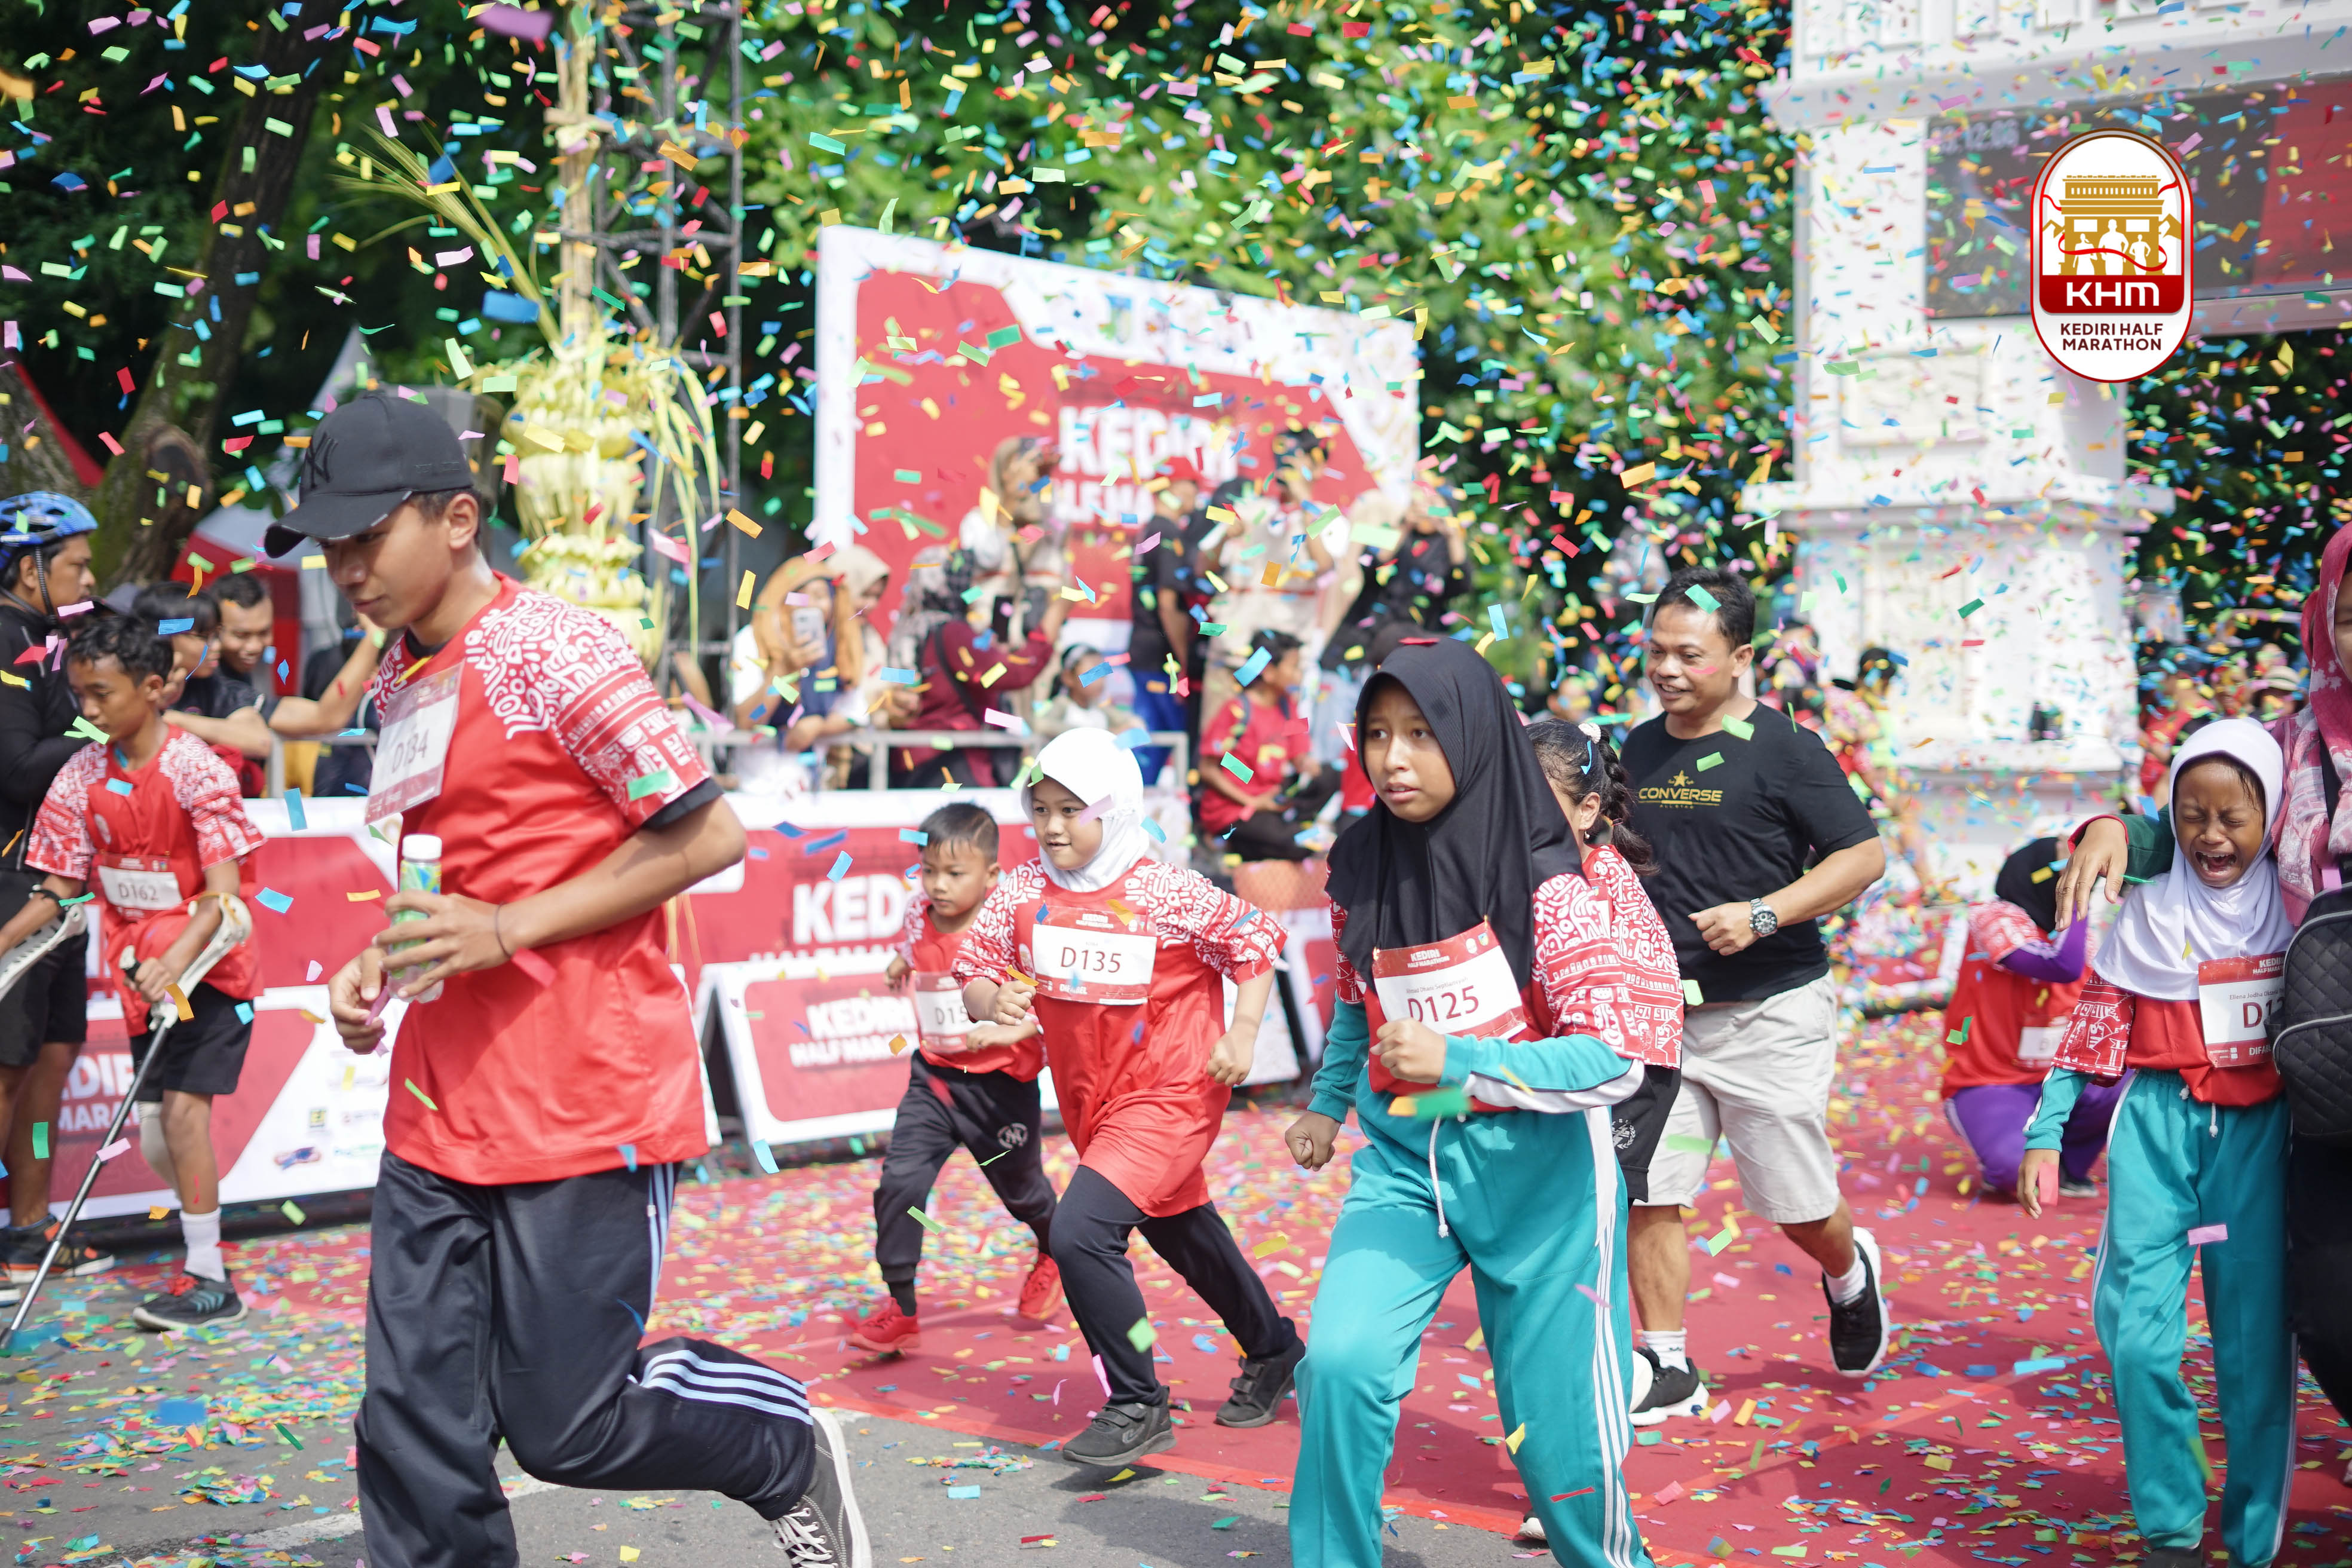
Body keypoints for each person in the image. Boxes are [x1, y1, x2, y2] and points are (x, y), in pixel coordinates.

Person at [278, 390, 864, 1567]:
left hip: (584, 1103)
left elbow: (708, 835)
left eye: (365, 536)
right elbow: (449, 866)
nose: (344, 568)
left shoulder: (557, 648)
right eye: (328, 544)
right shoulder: (395, 679)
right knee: (413, 1419)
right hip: (437, 1105)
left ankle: (785, 1448)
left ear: (457, 518)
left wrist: (507, 930)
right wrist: (381, 956)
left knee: (566, 1425)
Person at [1282, 639, 1652, 1568]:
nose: (1393, 759)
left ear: (1476, 736)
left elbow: (1615, 1060)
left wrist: (1462, 1058)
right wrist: (1328, 1101)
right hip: (1406, 1168)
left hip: (1546, 1188)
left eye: (1421, 734)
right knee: (1341, 1362)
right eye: (1377, 735)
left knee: (1561, 1446)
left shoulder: (1553, 885)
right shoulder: (1361, 866)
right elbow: (1359, 1001)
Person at [2060, 519, 2352, 1453]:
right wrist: (2119, 829)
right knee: (2327, 1303)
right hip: (2324, 1062)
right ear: (2324, 623)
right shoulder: (2290, 745)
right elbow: (2205, 810)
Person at [956, 728, 1302, 1467]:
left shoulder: (1163, 888)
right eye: (1040, 809)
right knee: (1180, 1227)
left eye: (1070, 810)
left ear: (1113, 811)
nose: (1052, 827)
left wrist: (1243, 1033)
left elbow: (1255, 940)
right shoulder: (1022, 888)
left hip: (1173, 1091)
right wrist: (993, 1001)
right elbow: (976, 966)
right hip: (1093, 1100)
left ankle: (1137, 1400)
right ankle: (1274, 1346)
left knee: (1079, 1231)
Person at [2024, 720, 2296, 1568]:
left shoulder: (2294, 906)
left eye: (2234, 817)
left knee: (2253, 1348)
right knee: (2137, 1339)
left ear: (2272, 816)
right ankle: (2171, 1530)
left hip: (2258, 1137)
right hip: (2155, 1130)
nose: (2212, 836)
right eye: (2192, 815)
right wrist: (2046, 1133)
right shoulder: (2147, 908)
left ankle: (2253, 1540)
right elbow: (2094, 1022)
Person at [1621, 566, 1893, 1380]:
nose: (1667, 669)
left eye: (1689, 654)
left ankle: (1848, 1270)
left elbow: (1863, 855)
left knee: (1795, 1207)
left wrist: (1765, 914)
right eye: (1657, 651)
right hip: (1665, 1020)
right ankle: (1666, 1364)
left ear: (1741, 657)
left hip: (1768, 1014)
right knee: (1650, 1191)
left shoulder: (1786, 749)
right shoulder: (1639, 746)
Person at [0, 613, 262, 1329]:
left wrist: (176, 961)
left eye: (102, 694)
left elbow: (225, 895)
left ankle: (211, 1279)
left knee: (181, 1115)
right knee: (155, 1134)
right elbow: (58, 887)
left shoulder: (196, 768)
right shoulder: (81, 772)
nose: (87, 709)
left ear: (152, 688)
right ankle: (206, 1237)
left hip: (208, 970)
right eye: (79, 693)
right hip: (142, 973)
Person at [1527, 718, 1696, 1432]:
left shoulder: (1587, 877)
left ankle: (1625, 1383)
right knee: (1576, 1224)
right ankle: (1618, 1375)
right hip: (1595, 1060)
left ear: (1587, 808)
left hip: (1629, 1066)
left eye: (1533, 797)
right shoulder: (1570, 862)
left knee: (1588, 1225)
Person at [853, 803, 1059, 1354]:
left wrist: (1010, 1031)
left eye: (954, 873)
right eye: (929, 871)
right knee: (900, 1184)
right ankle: (902, 1307)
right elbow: (916, 946)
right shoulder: (917, 911)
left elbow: (1053, 999)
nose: (938, 885)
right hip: (936, 1081)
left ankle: (1054, 1250)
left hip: (1001, 1088)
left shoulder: (1013, 925)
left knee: (1024, 1193)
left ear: (991, 876)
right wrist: (902, 962)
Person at [0, 494, 112, 1293]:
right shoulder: (5, 639)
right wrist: (104, 726)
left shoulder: (53, 640)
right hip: (13, 882)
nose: (90, 577)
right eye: (77, 563)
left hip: (65, 882)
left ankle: (28, 1230)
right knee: (7, 1069)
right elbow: (14, 768)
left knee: (52, 1056)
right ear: (28, 568)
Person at [1939, 838, 2114, 1200]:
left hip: (2058, 1077)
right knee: (2015, 1172)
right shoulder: (1995, 917)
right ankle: (2008, 1159)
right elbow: (2062, 967)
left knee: (2120, 1079)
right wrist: (2076, 897)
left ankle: (2068, 1166)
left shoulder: (2078, 935)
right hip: (1993, 1082)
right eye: (2069, 870)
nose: (2082, 878)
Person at [891, 549, 1070, 789]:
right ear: (951, 583)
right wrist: (1054, 617)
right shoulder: (953, 633)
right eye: (970, 582)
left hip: (915, 763)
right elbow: (1016, 673)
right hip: (951, 766)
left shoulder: (909, 629)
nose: (974, 590)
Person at [1198, 629, 1340, 862]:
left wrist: (1306, 764)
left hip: (1272, 799)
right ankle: (1251, 840)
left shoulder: (1288, 706)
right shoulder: (1237, 710)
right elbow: (1208, 769)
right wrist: (1253, 802)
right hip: (1238, 809)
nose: (1299, 675)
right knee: (1296, 846)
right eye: (1294, 667)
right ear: (1269, 672)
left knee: (1330, 775)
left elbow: (1298, 755)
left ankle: (1289, 831)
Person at [131, 581, 270, 794]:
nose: (217, 646)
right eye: (203, 637)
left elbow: (260, 741)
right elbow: (94, 733)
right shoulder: (122, 683)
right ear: (163, 635)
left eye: (216, 635)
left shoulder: (213, 686)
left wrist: (172, 720)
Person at [1824, 647, 1940, 898]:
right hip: (1859, 787)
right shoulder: (1850, 707)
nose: (1884, 687)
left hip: (1877, 785)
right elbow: (1861, 756)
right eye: (1882, 680)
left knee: (1901, 826)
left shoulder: (1876, 709)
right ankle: (1929, 887)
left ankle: (1923, 888)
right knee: (1904, 821)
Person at [1127, 458, 1202, 785]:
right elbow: (1168, 605)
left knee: (1151, 742)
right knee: (1175, 740)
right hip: (1162, 658)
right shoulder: (1168, 533)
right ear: (1173, 487)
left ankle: (1131, 803)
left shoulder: (1148, 530)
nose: (1197, 493)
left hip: (1144, 650)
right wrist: (1183, 662)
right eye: (1192, 484)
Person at [1034, 645, 1142, 743]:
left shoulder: (1100, 707)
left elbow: (1132, 723)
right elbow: (1041, 725)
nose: (1099, 682)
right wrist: (1098, 733)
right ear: (1068, 678)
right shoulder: (1062, 703)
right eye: (1091, 675)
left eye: (1102, 675)